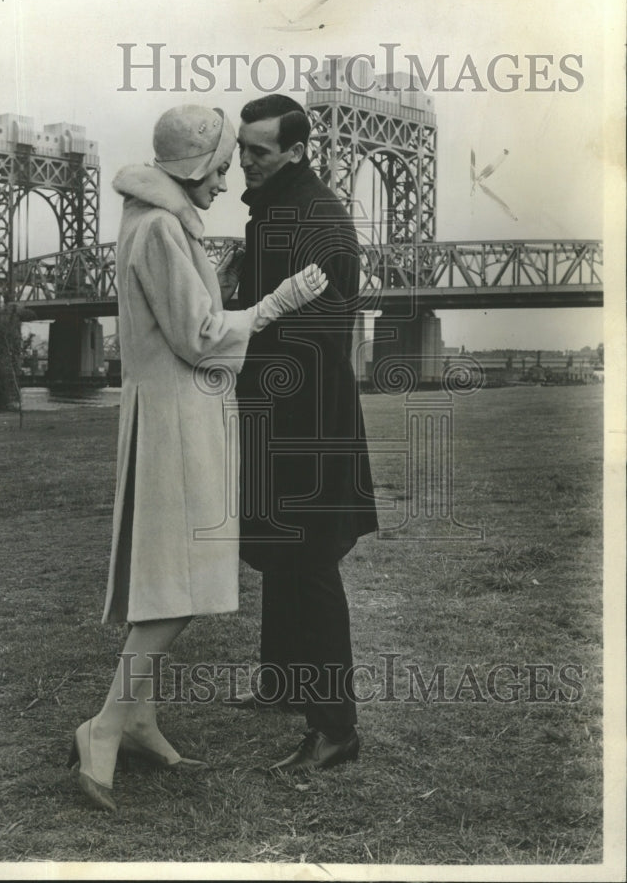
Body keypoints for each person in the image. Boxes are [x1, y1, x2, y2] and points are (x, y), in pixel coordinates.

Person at [68, 104, 328, 812]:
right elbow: (201, 337)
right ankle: (105, 726)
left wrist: (220, 276)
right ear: (189, 168)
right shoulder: (159, 229)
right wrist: (275, 301)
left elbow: (184, 317)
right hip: (178, 423)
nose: (226, 180)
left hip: (178, 416)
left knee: (165, 579)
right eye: (218, 168)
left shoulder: (158, 226)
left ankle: (141, 720)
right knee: (175, 589)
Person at [227, 94, 379, 774]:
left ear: (295, 150)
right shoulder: (276, 212)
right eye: (240, 149)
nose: (244, 163)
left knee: (310, 563)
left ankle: (335, 729)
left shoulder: (318, 221)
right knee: (284, 554)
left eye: (257, 152)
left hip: (307, 421)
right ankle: (282, 681)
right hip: (281, 413)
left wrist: (234, 357)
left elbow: (314, 337)